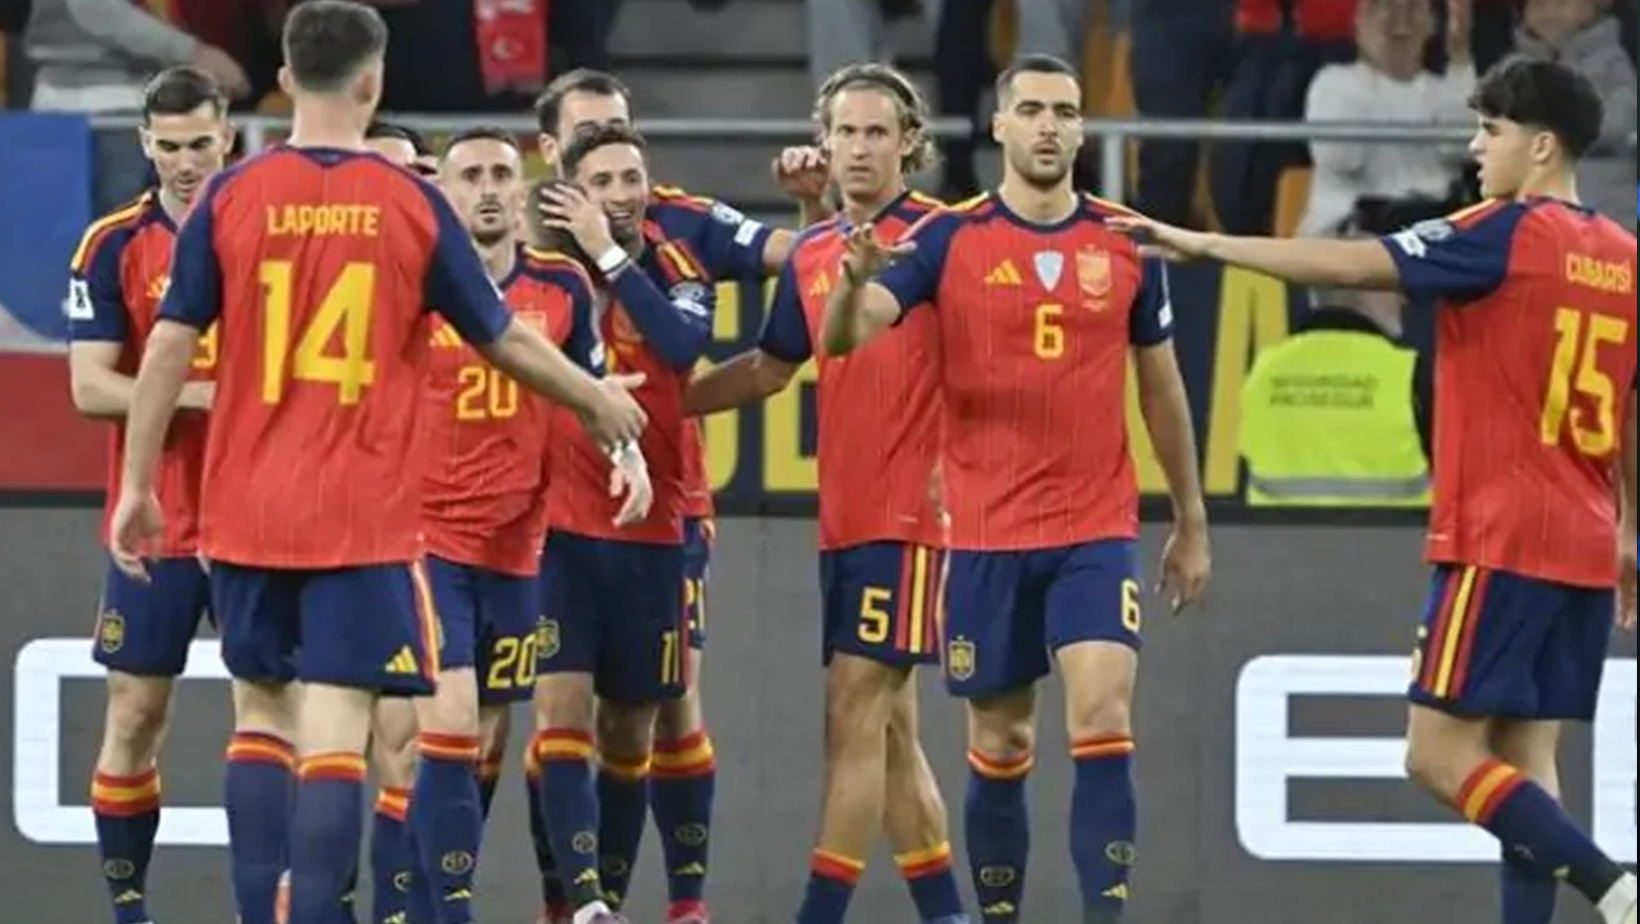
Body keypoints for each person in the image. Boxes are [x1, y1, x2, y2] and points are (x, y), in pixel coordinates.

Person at [106, 5, 648, 924]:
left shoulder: (234, 195)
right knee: (337, 731)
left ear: (285, 77)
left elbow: (165, 347)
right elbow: (501, 334)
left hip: (246, 502)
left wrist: (136, 487)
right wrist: (595, 398)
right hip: (363, 513)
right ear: (373, 80)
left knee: (261, 717)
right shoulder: (407, 203)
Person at [1114, 57, 1638, 924]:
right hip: (1583, 538)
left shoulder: (1502, 233)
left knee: (1435, 755)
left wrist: (1208, 244)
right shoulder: (1625, 257)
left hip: (1501, 536)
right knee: (1524, 757)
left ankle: (1612, 886)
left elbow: (1357, 263)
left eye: (1492, 131)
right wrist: (1628, 530)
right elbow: (1629, 403)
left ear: (1542, 147)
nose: (1476, 148)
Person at [819, 53, 1212, 924]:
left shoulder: (1124, 239)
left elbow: (1161, 386)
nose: (1048, 126)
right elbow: (846, 336)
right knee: (1002, 738)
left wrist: (1190, 518)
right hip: (985, 534)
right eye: (1030, 109)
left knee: (1102, 712)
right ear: (999, 126)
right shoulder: (948, 239)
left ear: (1081, 129)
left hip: (1093, 526)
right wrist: (851, 283)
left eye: (1064, 112)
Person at [528, 67, 828, 924]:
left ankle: (680, 904)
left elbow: (804, 265)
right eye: (590, 144)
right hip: (545, 508)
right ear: (553, 154)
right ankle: (567, 905)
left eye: (626, 149)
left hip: (666, 506)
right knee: (536, 715)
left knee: (661, 709)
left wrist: (813, 206)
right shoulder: (525, 245)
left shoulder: (682, 232)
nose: (621, 184)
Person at [683, 62, 967, 924]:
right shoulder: (813, 249)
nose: (859, 148)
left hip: (913, 516)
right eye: (846, 131)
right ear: (825, 141)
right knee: (890, 736)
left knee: (850, 717)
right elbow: (771, 367)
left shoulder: (943, 238)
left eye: (878, 132)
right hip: (847, 517)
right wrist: (659, 404)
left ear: (910, 144)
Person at [401, 125, 628, 924]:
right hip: (425, 538)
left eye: (502, 173)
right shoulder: (412, 280)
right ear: (443, 191)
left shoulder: (562, 285)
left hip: (518, 543)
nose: (490, 188)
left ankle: (424, 905)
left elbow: (592, 390)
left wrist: (627, 455)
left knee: (485, 735)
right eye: (471, 175)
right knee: (450, 723)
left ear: (523, 187)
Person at [528, 122, 714, 924]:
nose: (620, 195)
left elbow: (680, 343)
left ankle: (609, 896)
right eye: (600, 182)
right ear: (571, 192)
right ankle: (578, 904)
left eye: (631, 178)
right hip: (557, 527)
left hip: (652, 529)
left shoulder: (678, 267)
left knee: (631, 733)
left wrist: (609, 253)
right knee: (559, 714)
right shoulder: (541, 274)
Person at [64, 64, 230, 924]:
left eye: (200, 143)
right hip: (158, 516)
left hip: (258, 520)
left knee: (273, 720)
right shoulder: (112, 244)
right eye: (169, 146)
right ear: (144, 144)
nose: (186, 163)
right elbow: (89, 387)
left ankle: (272, 901)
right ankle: (128, 911)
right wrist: (188, 394)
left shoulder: (267, 232)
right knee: (134, 715)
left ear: (228, 136)